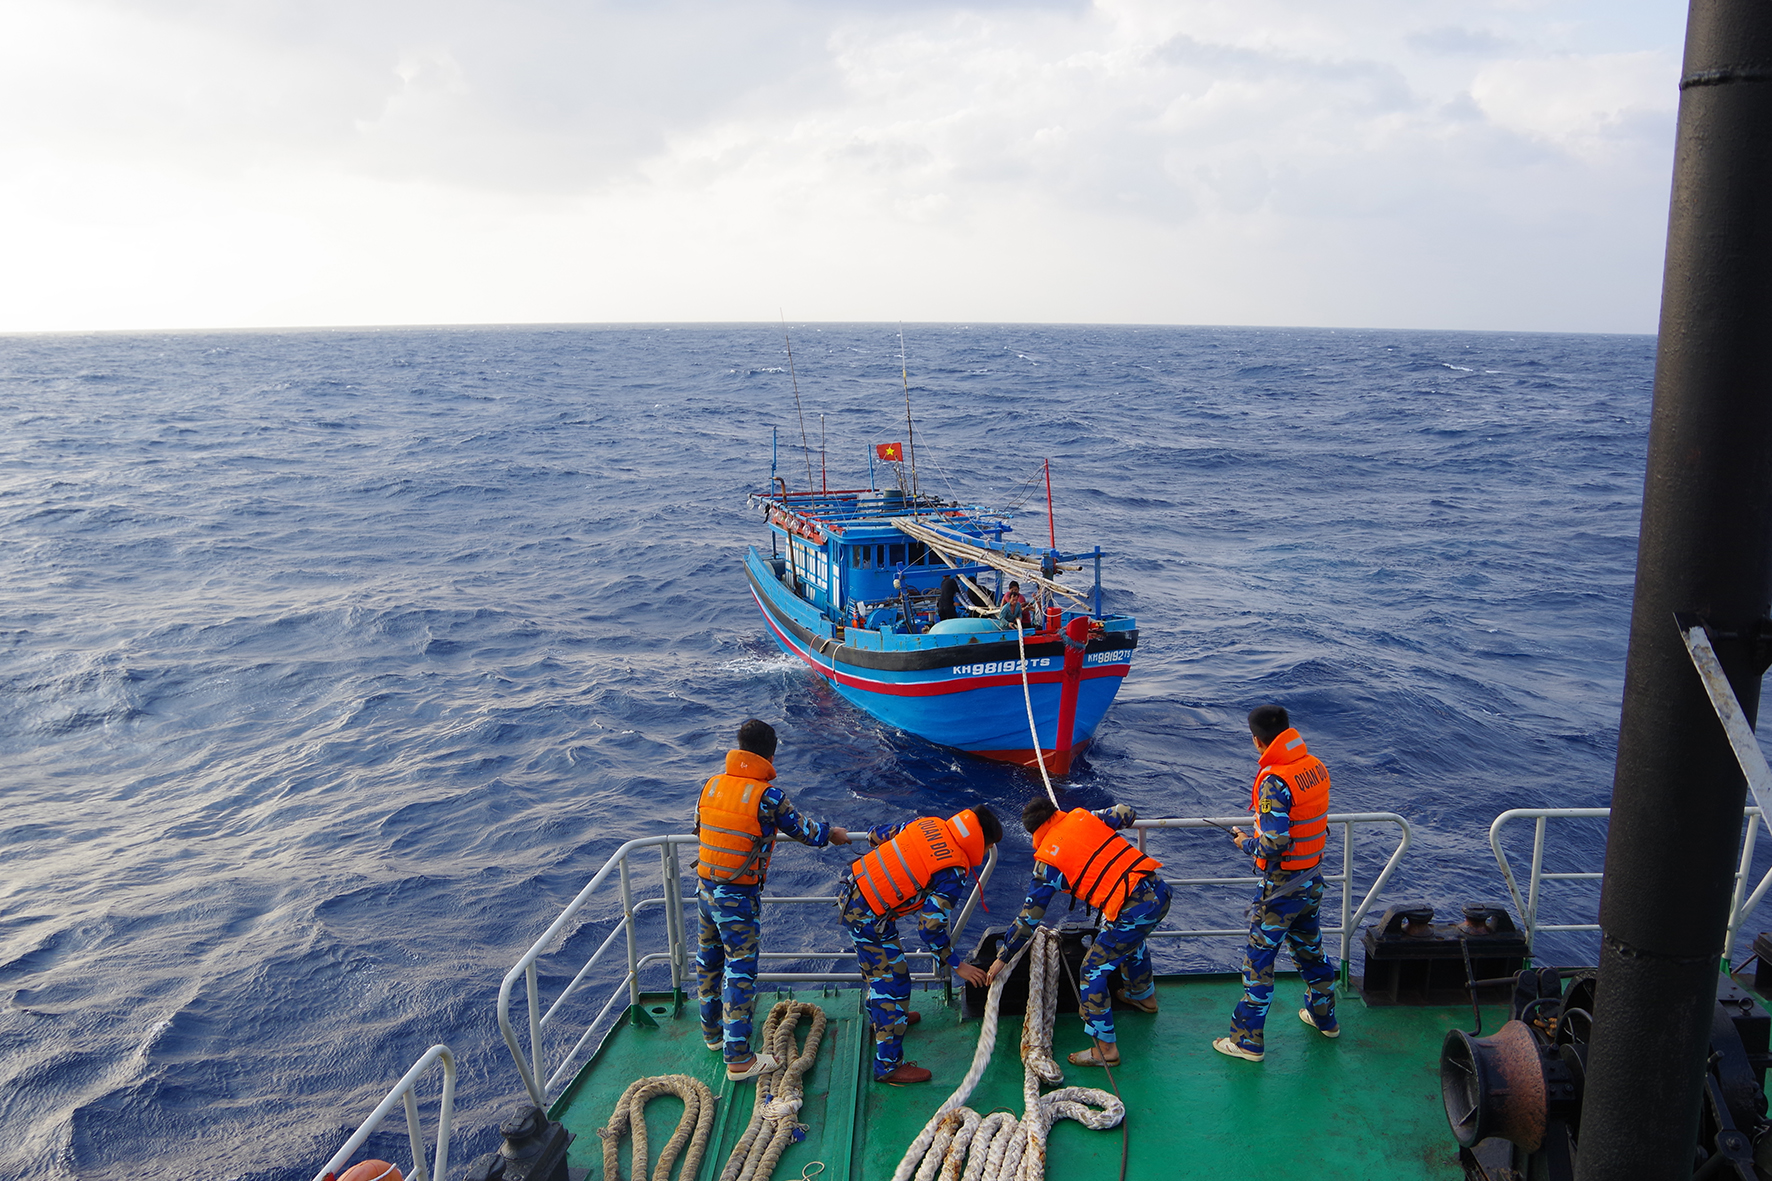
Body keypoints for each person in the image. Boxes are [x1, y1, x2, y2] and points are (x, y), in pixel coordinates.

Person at [696, 719, 851, 1082]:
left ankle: (713, 1036)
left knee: (709, 960)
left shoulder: (711, 786)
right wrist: (834, 834)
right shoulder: (768, 797)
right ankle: (738, 1059)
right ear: (770, 753)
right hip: (737, 897)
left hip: (705, 889)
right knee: (739, 969)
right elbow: (807, 832)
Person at [985, 796, 1169, 1067]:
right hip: (1159, 892)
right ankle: (1143, 996)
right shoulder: (1084, 817)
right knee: (1126, 937)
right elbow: (1127, 812)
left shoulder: (1047, 865)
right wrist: (1088, 817)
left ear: (1033, 833)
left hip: (1133, 909)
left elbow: (1028, 920)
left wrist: (1004, 956)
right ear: (1055, 814)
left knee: (1092, 971)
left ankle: (1106, 1049)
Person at [1213, 704, 1338, 1062]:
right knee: (1310, 951)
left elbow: (1273, 843)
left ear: (1257, 740)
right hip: (1312, 880)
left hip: (1282, 889)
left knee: (1258, 962)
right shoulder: (1314, 766)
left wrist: (1244, 843)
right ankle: (1324, 1017)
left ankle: (1248, 1041)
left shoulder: (1274, 781)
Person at [842, 807, 1001, 1083]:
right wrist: (957, 964)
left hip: (855, 890)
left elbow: (881, 833)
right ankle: (888, 1067)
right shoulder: (953, 871)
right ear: (983, 843)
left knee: (889, 975)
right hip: (868, 916)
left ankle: (886, 1019)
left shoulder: (930, 824)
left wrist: (874, 839)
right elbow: (929, 927)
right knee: (892, 983)